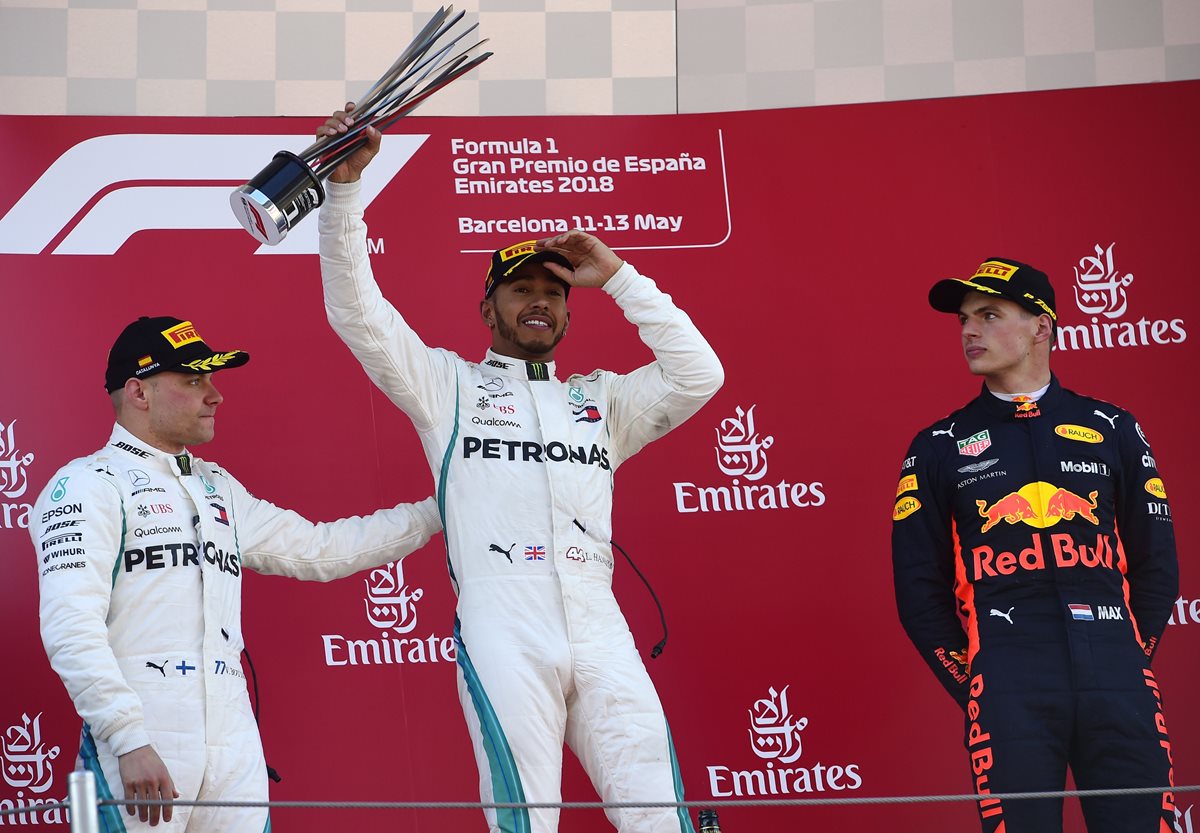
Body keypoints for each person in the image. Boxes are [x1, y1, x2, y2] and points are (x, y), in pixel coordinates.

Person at [316, 105, 724, 833]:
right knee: (525, 821)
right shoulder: (448, 387)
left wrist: (621, 277)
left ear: (569, 312)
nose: (540, 300)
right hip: (503, 620)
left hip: (601, 622)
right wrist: (344, 194)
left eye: (555, 291)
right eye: (521, 289)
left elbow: (699, 374)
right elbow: (359, 314)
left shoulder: (600, 398)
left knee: (664, 817)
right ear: (488, 307)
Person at [32, 315, 441, 831]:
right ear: (139, 392)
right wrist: (127, 736)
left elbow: (322, 549)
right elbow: (71, 627)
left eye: (211, 380)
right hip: (143, 731)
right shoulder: (87, 484)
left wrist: (441, 508)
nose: (215, 396)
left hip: (235, 736)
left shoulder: (217, 487)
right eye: (194, 380)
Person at [891, 258, 1178, 833]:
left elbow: (1157, 565)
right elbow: (918, 592)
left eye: (990, 315)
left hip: (1118, 678)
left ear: (1040, 327)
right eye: (964, 320)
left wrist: (1124, 655)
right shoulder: (938, 446)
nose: (969, 331)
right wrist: (977, 679)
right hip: (1007, 682)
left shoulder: (1113, 427)